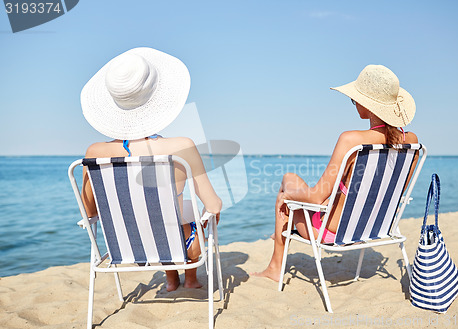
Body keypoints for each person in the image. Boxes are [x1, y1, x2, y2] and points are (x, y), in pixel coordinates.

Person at [252, 64, 418, 281]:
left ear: (365, 104)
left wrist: (287, 197)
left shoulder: (351, 140)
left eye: (354, 99)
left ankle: (275, 266)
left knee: (287, 183)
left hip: (334, 231)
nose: (354, 103)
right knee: (295, 185)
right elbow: (389, 192)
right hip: (375, 226)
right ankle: (280, 235)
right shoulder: (412, 142)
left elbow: (315, 196)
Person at [80, 47, 222, 291]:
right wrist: (211, 211)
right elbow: (214, 205)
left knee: (153, 215)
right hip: (181, 246)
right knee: (181, 211)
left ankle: (171, 279)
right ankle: (190, 278)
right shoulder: (180, 146)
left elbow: (89, 211)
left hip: (127, 248)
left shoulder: (94, 153)